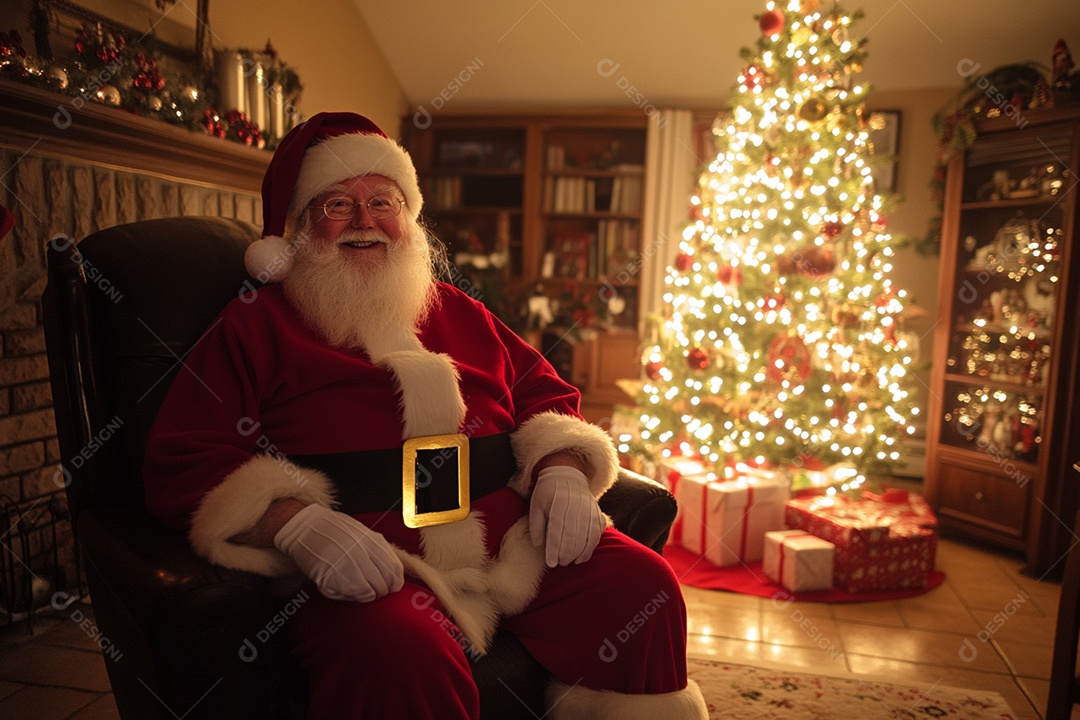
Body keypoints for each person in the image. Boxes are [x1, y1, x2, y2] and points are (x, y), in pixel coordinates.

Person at [142, 112, 707, 719]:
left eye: (382, 201)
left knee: (643, 586)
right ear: (301, 227)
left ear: (407, 217)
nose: (364, 221)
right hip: (377, 566)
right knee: (396, 652)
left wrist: (564, 467)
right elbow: (187, 456)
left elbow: (544, 394)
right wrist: (292, 524)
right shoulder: (255, 325)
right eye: (337, 204)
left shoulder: (459, 310)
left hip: (513, 546)